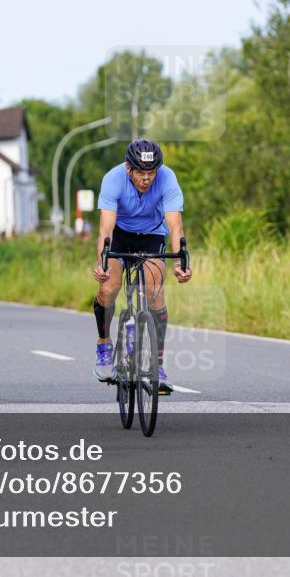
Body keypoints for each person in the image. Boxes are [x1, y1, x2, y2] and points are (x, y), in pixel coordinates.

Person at [91, 139, 193, 394]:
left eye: (151, 172)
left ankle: (157, 365)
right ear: (129, 168)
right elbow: (105, 228)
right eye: (140, 173)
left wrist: (180, 262)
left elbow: (175, 226)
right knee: (109, 288)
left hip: (151, 235)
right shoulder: (113, 179)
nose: (146, 179)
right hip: (119, 235)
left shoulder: (167, 178)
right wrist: (102, 262)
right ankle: (104, 345)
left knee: (154, 293)